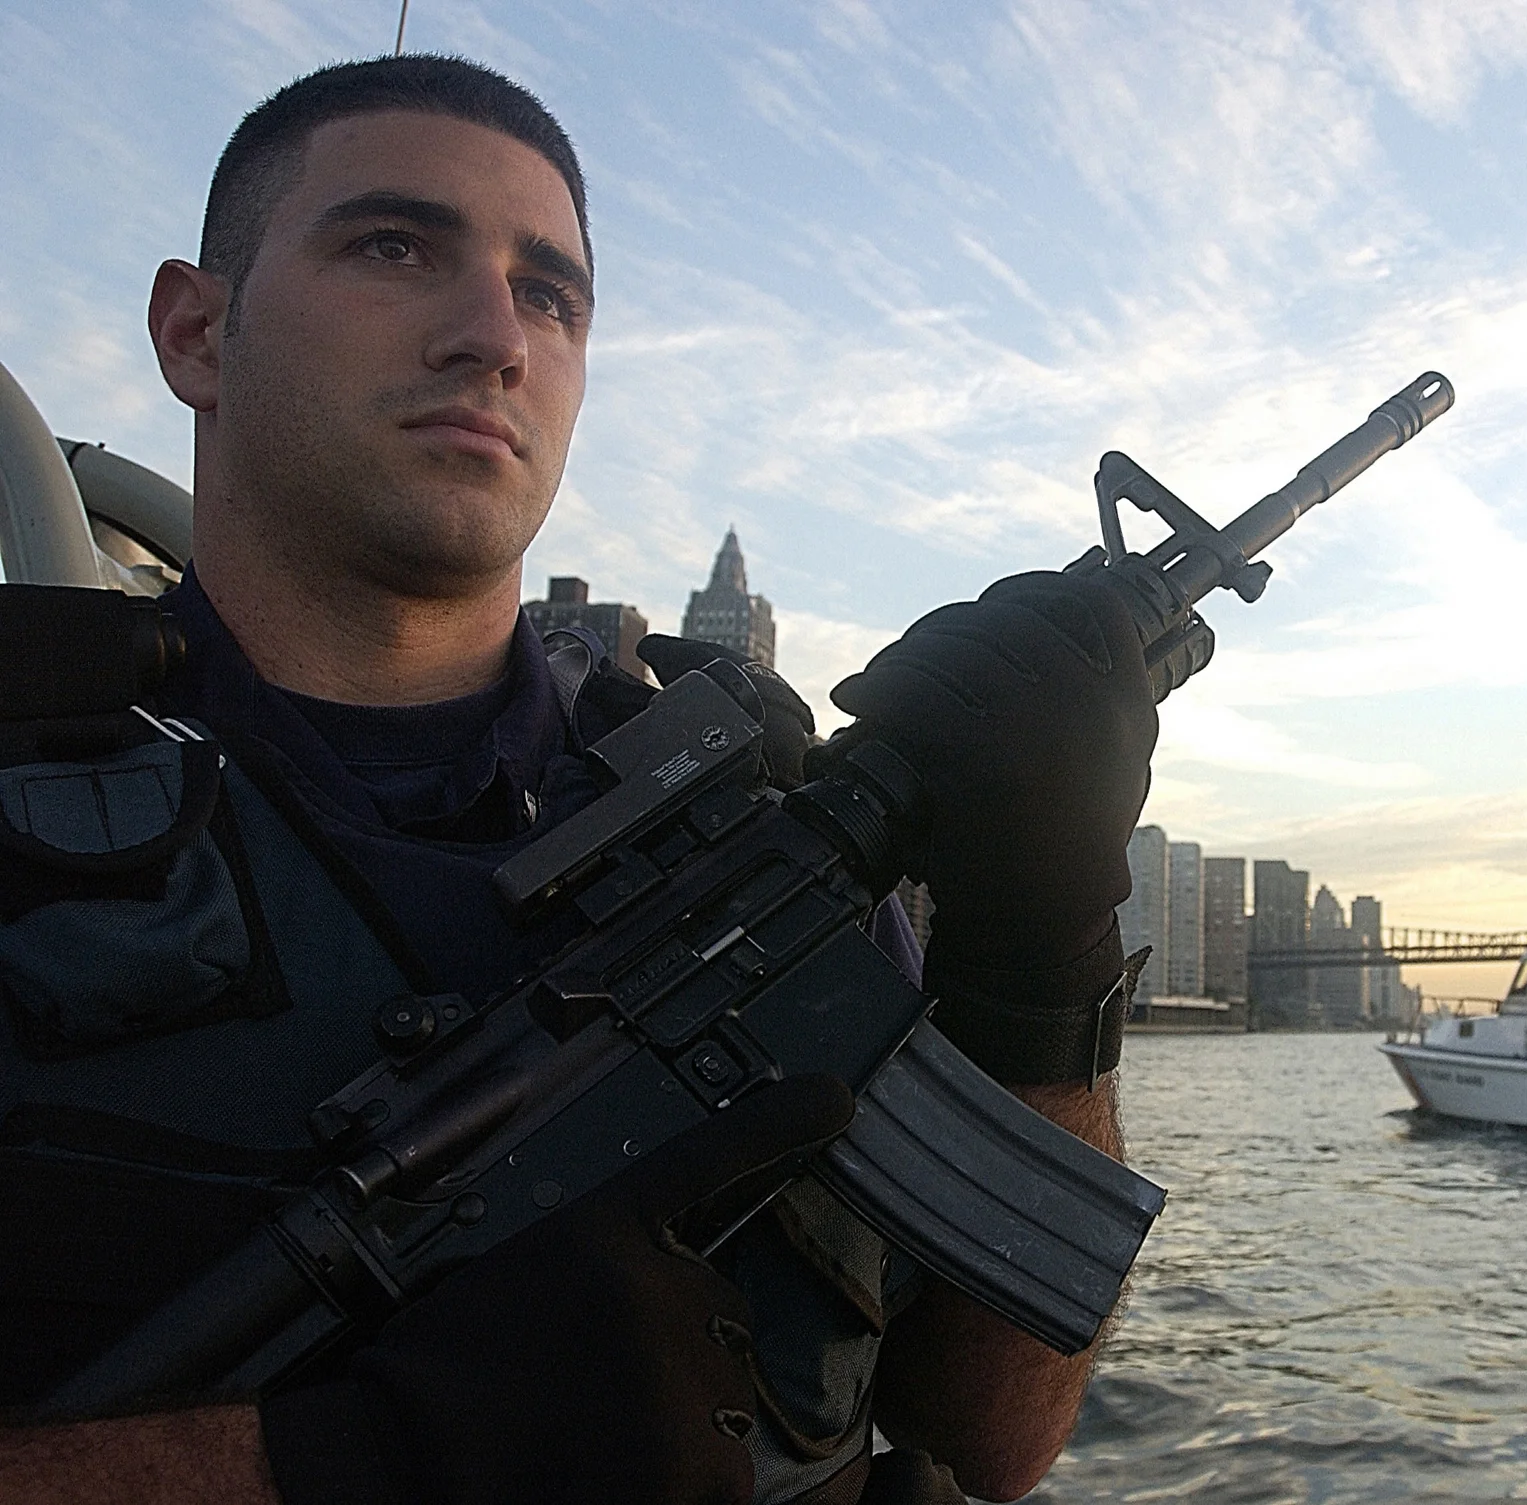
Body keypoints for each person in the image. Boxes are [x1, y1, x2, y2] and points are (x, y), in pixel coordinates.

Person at [0, 55, 1157, 1505]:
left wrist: (1047, 944)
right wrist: (314, 1467)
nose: (494, 337)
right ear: (196, 330)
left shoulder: (750, 838)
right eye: (393, 246)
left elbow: (994, 1437)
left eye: (552, 295)